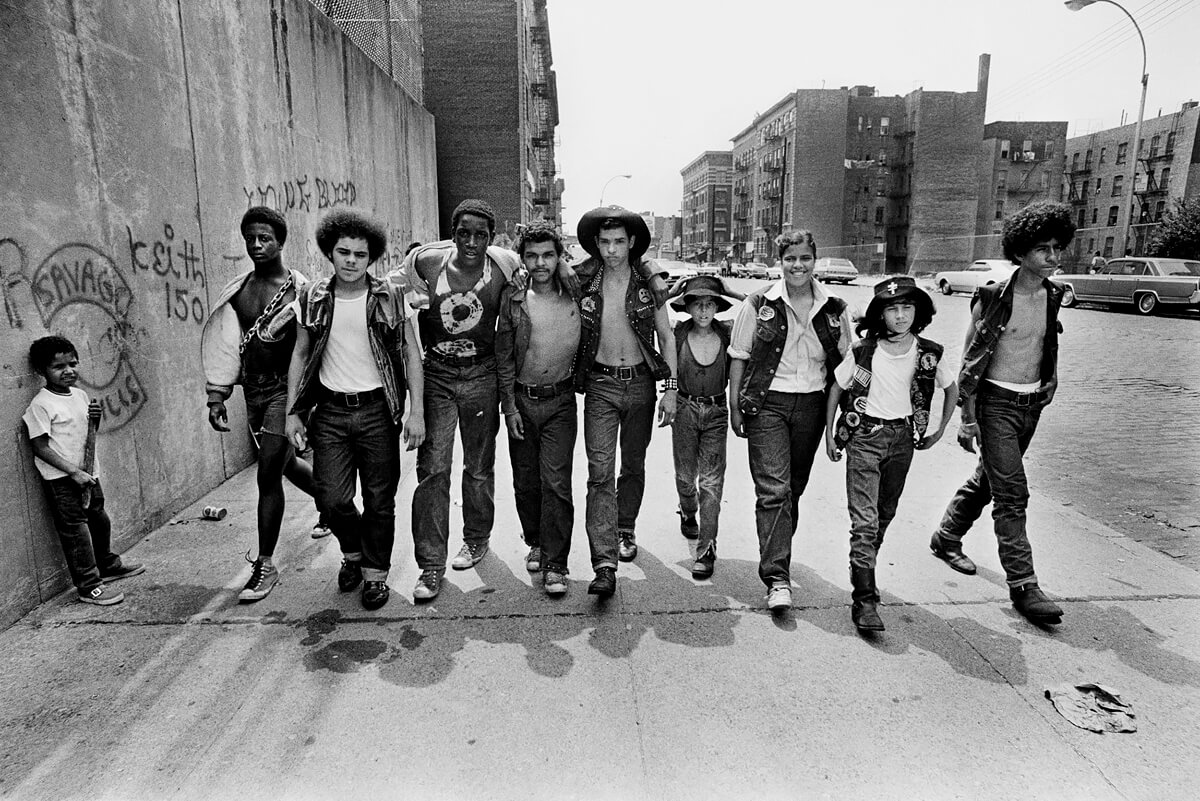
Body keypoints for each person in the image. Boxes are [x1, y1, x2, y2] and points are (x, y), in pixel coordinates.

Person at [929, 200, 1075, 625]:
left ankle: (946, 536)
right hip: (995, 404)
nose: (1053, 257)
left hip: (1032, 404)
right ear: (1021, 251)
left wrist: (1053, 377)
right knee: (1012, 493)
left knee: (988, 480)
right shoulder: (993, 297)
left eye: (1057, 247)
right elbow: (970, 361)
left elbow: (1045, 343)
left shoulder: (1052, 295)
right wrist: (967, 418)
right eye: (1044, 249)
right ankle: (1024, 586)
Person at [285, 208, 424, 611]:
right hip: (329, 412)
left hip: (378, 411)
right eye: (343, 252)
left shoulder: (390, 296)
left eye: (359, 254)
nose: (350, 261)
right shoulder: (313, 296)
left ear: (371, 257)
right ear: (330, 251)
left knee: (380, 500)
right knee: (332, 498)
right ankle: (354, 553)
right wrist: (293, 410)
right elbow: (300, 352)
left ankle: (375, 576)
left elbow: (412, 355)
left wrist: (417, 412)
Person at [399, 199, 525, 601]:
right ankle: (430, 566)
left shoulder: (503, 265)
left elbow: (548, 271)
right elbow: (386, 285)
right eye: (464, 233)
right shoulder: (427, 263)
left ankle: (476, 538)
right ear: (452, 233)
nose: (472, 241)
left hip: (482, 375)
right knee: (433, 468)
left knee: (478, 465)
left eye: (481, 235)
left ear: (491, 238)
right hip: (436, 375)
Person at [200, 207, 327, 604]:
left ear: (281, 241)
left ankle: (266, 566)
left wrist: (305, 404)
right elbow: (224, 344)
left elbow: (313, 350)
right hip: (252, 394)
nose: (257, 245)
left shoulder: (300, 291)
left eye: (265, 238)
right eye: (251, 238)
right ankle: (337, 506)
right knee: (286, 465)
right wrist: (217, 395)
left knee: (267, 474)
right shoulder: (239, 290)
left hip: (283, 395)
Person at [728, 230, 851, 612]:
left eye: (805, 258)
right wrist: (734, 404)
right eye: (790, 259)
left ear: (815, 260)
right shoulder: (760, 302)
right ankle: (777, 577)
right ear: (779, 261)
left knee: (793, 488)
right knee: (773, 490)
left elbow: (848, 366)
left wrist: (840, 420)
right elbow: (739, 355)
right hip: (767, 404)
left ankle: (776, 546)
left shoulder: (835, 308)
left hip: (812, 405)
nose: (798, 266)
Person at [825, 277, 957, 631]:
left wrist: (939, 429)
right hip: (864, 436)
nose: (900, 316)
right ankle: (865, 599)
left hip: (902, 439)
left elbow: (951, 388)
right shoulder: (864, 351)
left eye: (907, 308)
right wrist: (830, 435)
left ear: (919, 312)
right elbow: (837, 388)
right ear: (880, 315)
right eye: (892, 309)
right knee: (864, 521)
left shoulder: (928, 352)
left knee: (885, 512)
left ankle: (861, 564)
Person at [573, 206, 677, 597]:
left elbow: (666, 337)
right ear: (595, 245)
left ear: (632, 243)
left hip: (640, 385)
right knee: (600, 470)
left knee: (632, 464)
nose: (612, 250)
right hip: (600, 383)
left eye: (619, 242)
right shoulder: (585, 280)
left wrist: (672, 388)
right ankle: (604, 564)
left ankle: (625, 528)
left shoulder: (649, 283)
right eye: (605, 242)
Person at [23, 336, 145, 606]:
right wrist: (73, 472)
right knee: (76, 532)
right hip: (62, 480)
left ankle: (108, 565)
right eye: (59, 367)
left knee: (99, 520)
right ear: (42, 371)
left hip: (89, 474)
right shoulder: (41, 405)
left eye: (73, 363)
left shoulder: (79, 395)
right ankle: (88, 586)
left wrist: (95, 421)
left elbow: (87, 433)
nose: (68, 371)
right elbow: (41, 448)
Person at [496, 222, 580, 596]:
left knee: (557, 483)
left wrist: (568, 267)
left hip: (560, 401)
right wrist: (509, 407)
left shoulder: (576, 291)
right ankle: (537, 541)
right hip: (523, 401)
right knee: (525, 482)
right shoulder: (514, 297)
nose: (540, 262)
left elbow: (623, 261)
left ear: (559, 256)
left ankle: (556, 564)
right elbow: (503, 357)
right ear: (522, 258)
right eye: (532, 255)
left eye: (548, 255)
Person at [667, 275, 742, 579]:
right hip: (684, 409)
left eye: (709, 304)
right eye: (697, 305)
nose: (703, 312)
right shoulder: (679, 331)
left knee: (710, 484)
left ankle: (706, 548)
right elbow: (650, 309)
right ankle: (687, 510)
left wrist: (730, 289)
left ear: (716, 308)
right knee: (686, 477)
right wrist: (673, 290)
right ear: (688, 308)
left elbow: (758, 302)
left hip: (716, 412)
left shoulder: (727, 333)